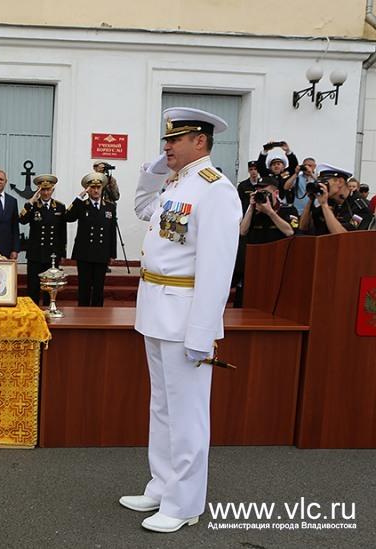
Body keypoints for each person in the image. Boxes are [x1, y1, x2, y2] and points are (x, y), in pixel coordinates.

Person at [123, 108, 241, 533]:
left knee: (188, 414)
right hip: (156, 309)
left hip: (185, 315)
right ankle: (162, 486)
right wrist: (156, 168)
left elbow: (217, 268)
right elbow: (142, 206)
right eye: (166, 140)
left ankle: (185, 502)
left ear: (200, 141)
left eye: (175, 140)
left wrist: (202, 332)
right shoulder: (177, 184)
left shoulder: (215, 190)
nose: (167, 146)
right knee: (162, 407)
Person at [65, 172, 116, 307]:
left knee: (99, 286)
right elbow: (68, 217)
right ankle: (82, 311)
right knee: (84, 286)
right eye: (92, 188)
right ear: (88, 190)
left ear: (102, 188)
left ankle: (97, 312)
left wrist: (112, 253)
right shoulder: (81, 205)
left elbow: (112, 231)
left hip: (102, 252)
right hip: (85, 253)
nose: (96, 190)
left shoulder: (110, 207)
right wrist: (79, 197)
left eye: (98, 187)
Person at [19, 174, 66, 306]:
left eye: (48, 189)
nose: (46, 193)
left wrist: (62, 253)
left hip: (52, 253)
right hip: (35, 252)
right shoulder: (33, 206)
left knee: (50, 286)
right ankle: (32, 309)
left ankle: (49, 308)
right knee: (33, 285)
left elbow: (62, 232)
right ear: (39, 190)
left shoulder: (60, 207)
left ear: (52, 190)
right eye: (43, 190)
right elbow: (22, 219)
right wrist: (30, 202)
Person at [298, 164, 374, 235]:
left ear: (340, 182)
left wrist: (325, 206)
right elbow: (303, 227)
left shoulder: (360, 207)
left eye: (325, 183)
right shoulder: (327, 202)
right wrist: (311, 200)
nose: (322, 186)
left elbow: (344, 236)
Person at [239, 176, 298, 244]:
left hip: (279, 248)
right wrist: (251, 207)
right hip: (257, 248)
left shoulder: (288, 209)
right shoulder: (253, 210)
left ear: (276, 193)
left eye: (265, 193)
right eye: (258, 193)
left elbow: (290, 232)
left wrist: (270, 212)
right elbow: (242, 232)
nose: (262, 196)